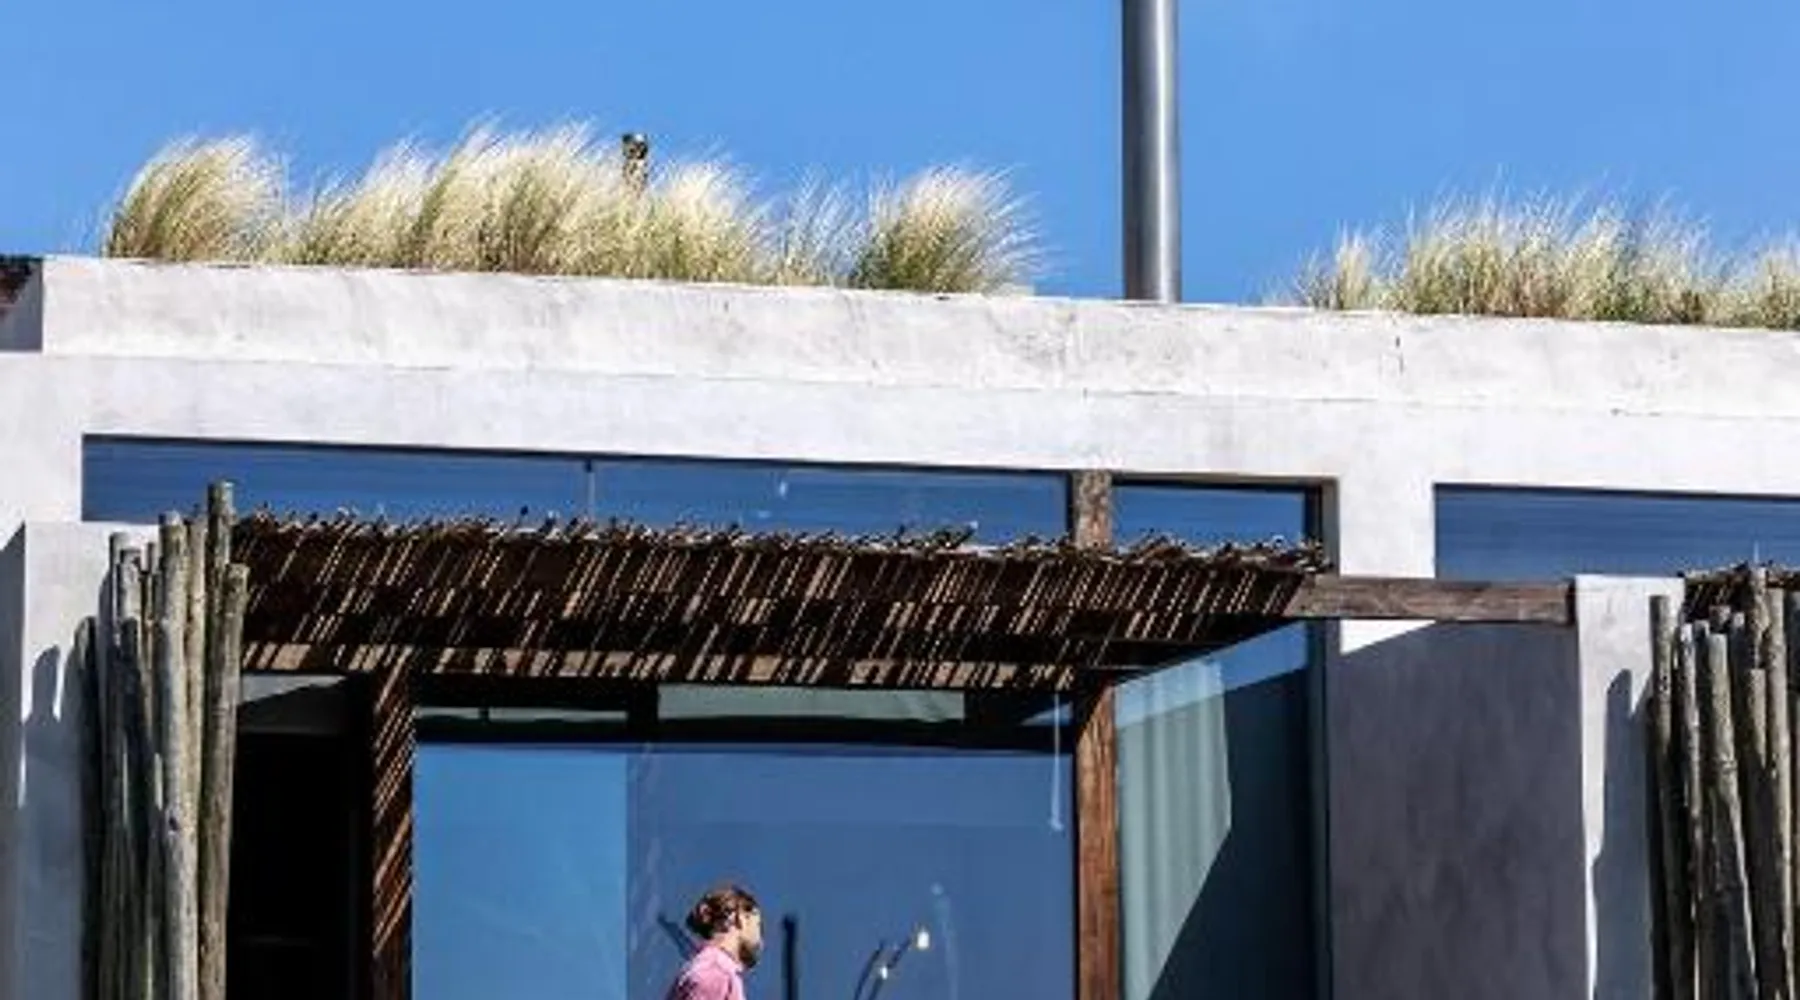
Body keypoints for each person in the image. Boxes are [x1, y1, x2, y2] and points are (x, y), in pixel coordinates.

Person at [665, 884, 763, 1000]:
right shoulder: (717, 973)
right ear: (739, 918)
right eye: (757, 925)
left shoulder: (711, 968)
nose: (760, 940)